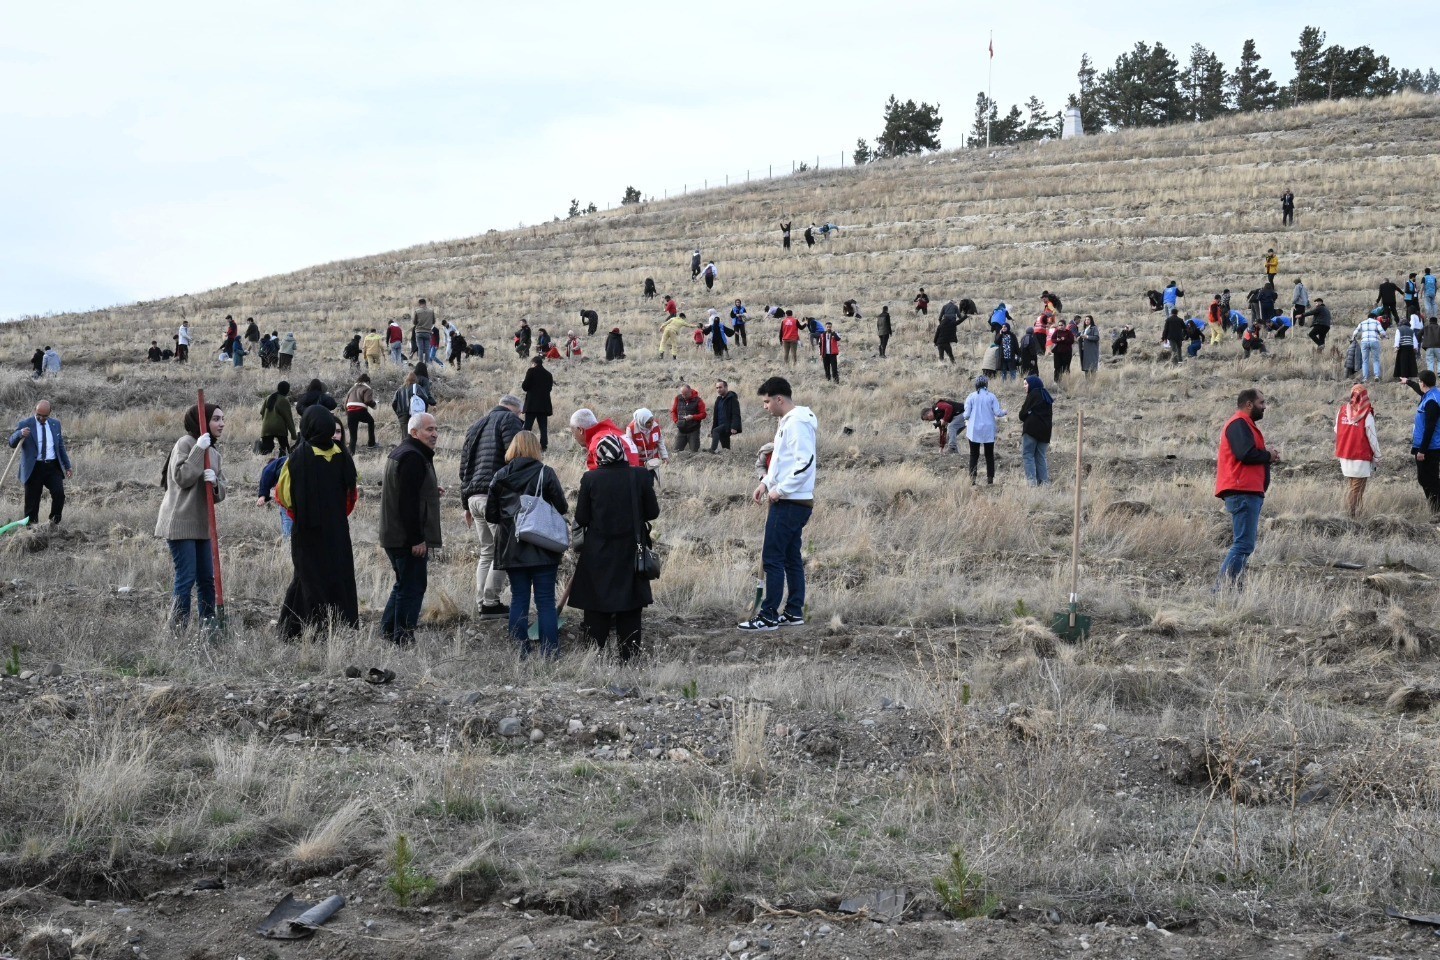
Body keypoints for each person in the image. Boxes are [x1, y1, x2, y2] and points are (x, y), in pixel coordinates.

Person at [570, 435, 660, 660]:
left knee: (596, 604)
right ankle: (629, 657)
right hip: (632, 550)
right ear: (622, 451)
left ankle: (593, 656)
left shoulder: (590, 478)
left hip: (597, 553)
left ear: (599, 456)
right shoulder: (639, 475)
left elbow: (582, 517)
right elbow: (653, 512)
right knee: (630, 605)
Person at [738, 377, 817, 632]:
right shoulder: (786, 423)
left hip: (791, 501)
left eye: (766, 401)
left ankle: (768, 615)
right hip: (790, 499)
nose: (765, 407)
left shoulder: (798, 423)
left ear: (779, 399)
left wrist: (779, 490)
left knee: (772, 557)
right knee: (791, 557)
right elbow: (781, 461)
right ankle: (793, 611)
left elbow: (804, 463)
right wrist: (766, 483)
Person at [275, 408, 359, 639]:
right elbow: (351, 495)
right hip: (338, 530)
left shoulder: (297, 458)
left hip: (307, 531)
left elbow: (283, 496)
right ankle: (317, 627)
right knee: (335, 576)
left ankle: (302, 629)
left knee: (307, 576)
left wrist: (300, 517)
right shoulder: (343, 455)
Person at [486, 431, 568, 657]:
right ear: (535, 448)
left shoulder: (500, 476)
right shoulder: (545, 473)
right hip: (543, 546)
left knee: (518, 598)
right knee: (545, 601)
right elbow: (562, 507)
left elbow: (491, 515)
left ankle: (519, 650)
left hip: (513, 548)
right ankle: (550, 652)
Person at [155, 402, 227, 629]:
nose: (221, 423)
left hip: (202, 525)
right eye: (216, 419)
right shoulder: (185, 444)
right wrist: (198, 450)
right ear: (202, 421)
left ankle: (208, 627)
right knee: (186, 578)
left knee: (207, 580)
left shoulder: (214, 453)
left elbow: (221, 491)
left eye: (222, 419)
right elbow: (182, 477)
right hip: (180, 523)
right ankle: (177, 629)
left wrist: (215, 483)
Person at [378, 412, 442, 645]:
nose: (434, 434)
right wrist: (416, 539)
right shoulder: (413, 457)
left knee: (404, 584)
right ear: (413, 432)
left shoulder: (405, 452)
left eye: (436, 429)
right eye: (429, 429)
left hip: (394, 535)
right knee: (413, 587)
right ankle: (403, 637)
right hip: (405, 538)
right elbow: (407, 502)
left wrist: (431, 489)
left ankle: (387, 632)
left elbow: (409, 489)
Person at [460, 394, 525, 620]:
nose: (521, 418)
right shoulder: (510, 420)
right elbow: (515, 458)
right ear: (514, 409)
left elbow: (464, 468)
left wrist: (465, 504)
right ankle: (490, 602)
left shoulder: (475, 425)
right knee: (505, 549)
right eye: (521, 414)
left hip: (474, 498)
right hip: (495, 498)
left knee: (487, 551)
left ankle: (482, 602)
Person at [1215, 389, 1278, 587]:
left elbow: (1247, 454)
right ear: (1249, 404)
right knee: (1243, 545)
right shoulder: (1239, 424)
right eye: (1261, 402)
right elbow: (1246, 454)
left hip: (1246, 491)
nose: (1264, 406)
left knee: (1244, 545)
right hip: (1243, 491)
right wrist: (1268, 455)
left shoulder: (1244, 424)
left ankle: (1233, 590)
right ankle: (1222, 590)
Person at [8, 400, 72, 526]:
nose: (41, 418)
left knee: (59, 494)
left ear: (50, 413)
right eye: (39, 415)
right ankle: (31, 529)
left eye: (44, 416)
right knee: (32, 501)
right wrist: (19, 434)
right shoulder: (26, 424)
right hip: (34, 468)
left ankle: (53, 524)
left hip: (52, 467)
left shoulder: (55, 424)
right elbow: (11, 442)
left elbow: (60, 446)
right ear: (35, 411)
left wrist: (67, 466)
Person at [1333, 384, 1380, 519]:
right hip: (1360, 455)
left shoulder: (1342, 410)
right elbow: (1372, 437)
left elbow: (1337, 429)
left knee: (1353, 487)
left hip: (1345, 453)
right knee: (1357, 489)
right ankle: (1351, 517)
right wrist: (1378, 455)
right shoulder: (1367, 414)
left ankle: (1357, 514)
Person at [1405, 371, 1440, 513]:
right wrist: (1408, 382)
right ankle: (1435, 509)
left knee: (1428, 480)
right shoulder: (1432, 395)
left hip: (1429, 448)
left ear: (1423, 383)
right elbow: (1420, 390)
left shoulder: (1431, 402)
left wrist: (1422, 450)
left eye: (1419, 381)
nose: (1419, 383)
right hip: (1429, 446)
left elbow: (1430, 428)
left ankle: (1436, 510)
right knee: (1426, 479)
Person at [962, 376, 1006, 485]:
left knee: (974, 455)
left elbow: (966, 415)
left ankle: (973, 480)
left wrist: (964, 416)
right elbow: (997, 412)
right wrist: (1005, 412)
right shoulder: (991, 396)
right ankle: (990, 480)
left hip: (974, 430)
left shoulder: (971, 396)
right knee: (989, 455)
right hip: (988, 429)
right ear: (986, 385)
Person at [569, 408, 640, 469]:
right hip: (636, 479)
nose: (574, 437)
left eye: (573, 432)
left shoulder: (599, 442)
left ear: (580, 430)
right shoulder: (618, 433)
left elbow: (601, 476)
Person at [1018, 376, 1053, 486]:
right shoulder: (1046, 395)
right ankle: (1044, 483)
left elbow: (1021, 414)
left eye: (1026, 384)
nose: (1024, 386)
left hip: (1031, 431)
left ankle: (1031, 483)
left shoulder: (1033, 395)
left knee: (1028, 455)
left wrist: (1028, 414)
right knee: (1040, 456)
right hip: (1045, 432)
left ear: (1032, 384)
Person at [521, 355, 553, 450]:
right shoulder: (548, 374)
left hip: (532, 405)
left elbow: (525, 387)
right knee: (543, 428)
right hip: (544, 405)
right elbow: (549, 389)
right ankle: (543, 446)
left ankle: (524, 445)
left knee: (527, 427)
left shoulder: (531, 371)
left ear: (534, 363)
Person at [256, 449, 291, 539]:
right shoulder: (285, 461)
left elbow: (265, 480)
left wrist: (262, 496)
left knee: (287, 516)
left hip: (288, 492)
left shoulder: (270, 467)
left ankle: (288, 540)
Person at [259, 381, 297, 455]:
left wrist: (266, 421)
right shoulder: (284, 400)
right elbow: (288, 419)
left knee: (266, 449)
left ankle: (259, 451)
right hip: (279, 428)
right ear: (287, 390)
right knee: (284, 448)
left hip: (266, 427)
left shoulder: (268, 397)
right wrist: (294, 435)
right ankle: (281, 462)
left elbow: (261, 412)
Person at [344, 373, 377, 449]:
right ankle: (371, 444)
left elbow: (345, 402)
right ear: (367, 382)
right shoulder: (367, 388)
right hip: (360, 411)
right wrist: (374, 405)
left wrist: (347, 413)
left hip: (350, 412)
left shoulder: (351, 389)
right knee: (371, 422)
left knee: (353, 436)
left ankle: (351, 453)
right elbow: (368, 401)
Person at [671, 384, 707, 453]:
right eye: (682, 394)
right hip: (681, 430)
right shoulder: (678, 398)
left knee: (694, 452)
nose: (684, 396)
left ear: (690, 391)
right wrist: (676, 421)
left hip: (693, 430)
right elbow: (673, 411)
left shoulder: (698, 400)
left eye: (686, 394)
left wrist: (693, 417)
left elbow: (703, 414)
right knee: (676, 452)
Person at [1353, 313, 1386, 383]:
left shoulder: (1362, 323)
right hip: (1374, 341)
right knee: (1376, 360)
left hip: (1364, 342)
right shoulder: (1377, 322)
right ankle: (1376, 376)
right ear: (1374, 317)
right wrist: (1384, 336)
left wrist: (1353, 337)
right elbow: (1382, 332)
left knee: (1365, 361)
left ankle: (1365, 378)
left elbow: (1355, 332)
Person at [711, 380, 742, 452]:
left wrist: (734, 427)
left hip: (728, 425)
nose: (718, 389)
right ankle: (728, 457)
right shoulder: (718, 399)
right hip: (720, 425)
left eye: (720, 387)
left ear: (726, 387)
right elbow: (716, 416)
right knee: (726, 448)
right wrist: (712, 429)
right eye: (717, 388)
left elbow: (736, 413)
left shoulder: (732, 398)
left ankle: (712, 450)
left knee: (715, 431)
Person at [1395, 315, 1421, 379]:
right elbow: (1414, 340)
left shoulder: (1399, 329)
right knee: (1410, 362)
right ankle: (1410, 375)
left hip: (1402, 348)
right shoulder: (1411, 330)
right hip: (1410, 347)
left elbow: (1397, 338)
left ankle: (1403, 376)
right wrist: (1415, 348)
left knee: (1402, 362)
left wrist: (1396, 346)